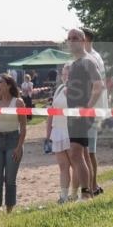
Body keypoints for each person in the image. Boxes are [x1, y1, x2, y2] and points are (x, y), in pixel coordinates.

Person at [66, 29, 103, 199]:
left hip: (82, 115)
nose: (72, 41)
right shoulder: (75, 63)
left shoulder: (88, 61)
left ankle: (86, 194)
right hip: (73, 114)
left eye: (75, 38)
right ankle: (89, 192)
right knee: (82, 153)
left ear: (83, 40)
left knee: (75, 152)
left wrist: (87, 107)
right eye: (69, 38)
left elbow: (98, 86)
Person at [0, 74, 27, 214]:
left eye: (1, 82)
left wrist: (19, 147)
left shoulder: (18, 102)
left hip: (13, 140)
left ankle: (9, 211)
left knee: (10, 179)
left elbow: (23, 126)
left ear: (9, 85)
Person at [82, 28, 107, 195]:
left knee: (88, 151)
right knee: (88, 151)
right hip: (91, 108)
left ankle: (93, 187)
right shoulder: (92, 56)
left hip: (89, 109)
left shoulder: (91, 57)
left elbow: (96, 86)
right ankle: (93, 186)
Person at [46, 64, 73, 202]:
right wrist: (48, 133)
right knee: (63, 166)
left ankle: (76, 194)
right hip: (58, 130)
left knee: (76, 164)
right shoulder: (59, 88)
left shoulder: (76, 89)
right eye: (63, 74)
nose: (64, 76)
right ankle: (64, 195)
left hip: (71, 130)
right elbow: (52, 111)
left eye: (67, 74)